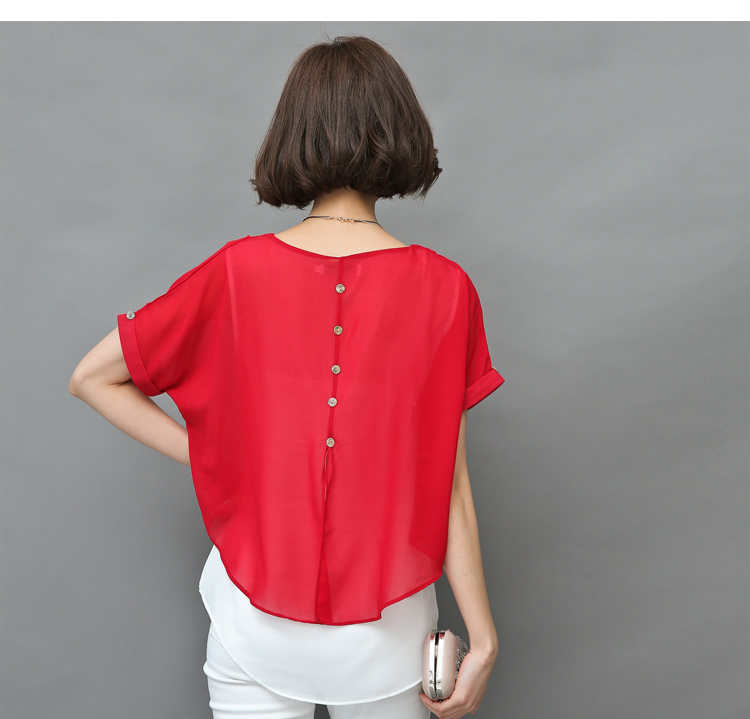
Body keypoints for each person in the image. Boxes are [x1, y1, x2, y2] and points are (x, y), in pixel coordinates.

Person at [69, 35, 504, 719]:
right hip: (390, 637)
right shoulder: (446, 289)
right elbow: (448, 482)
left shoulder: (235, 273)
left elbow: (92, 376)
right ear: (399, 129)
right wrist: (483, 638)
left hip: (249, 629)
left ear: (293, 134)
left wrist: (213, 454)